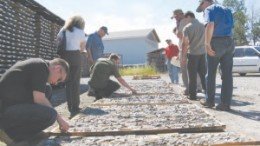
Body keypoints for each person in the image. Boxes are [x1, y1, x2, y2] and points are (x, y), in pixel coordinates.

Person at [0, 58, 70, 144]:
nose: (56, 83)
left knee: (47, 89)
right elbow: (39, 99)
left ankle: (28, 133)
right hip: (3, 112)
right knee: (51, 115)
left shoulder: (39, 66)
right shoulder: (40, 66)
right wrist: (59, 119)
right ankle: (8, 133)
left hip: (10, 107)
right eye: (59, 79)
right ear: (57, 68)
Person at [196, 0, 234, 111]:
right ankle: (225, 104)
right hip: (230, 42)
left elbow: (210, 24)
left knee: (211, 73)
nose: (202, 10)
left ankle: (209, 101)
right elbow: (231, 27)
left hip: (216, 42)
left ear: (205, 2)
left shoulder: (210, 9)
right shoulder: (227, 9)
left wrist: (207, 44)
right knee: (227, 75)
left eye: (201, 7)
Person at [57, 15, 86, 116]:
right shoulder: (80, 32)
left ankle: (70, 106)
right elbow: (82, 48)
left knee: (68, 82)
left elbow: (59, 42)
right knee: (75, 82)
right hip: (76, 55)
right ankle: (76, 105)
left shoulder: (63, 30)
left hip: (65, 56)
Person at [181, 11, 206, 100]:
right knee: (203, 75)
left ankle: (192, 96)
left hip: (193, 53)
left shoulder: (187, 28)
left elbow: (185, 43)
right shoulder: (203, 25)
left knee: (192, 76)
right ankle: (209, 95)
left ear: (188, 17)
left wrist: (183, 57)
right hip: (203, 53)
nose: (185, 21)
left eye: (185, 19)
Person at [171, 9, 189, 95]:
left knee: (185, 69)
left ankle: (188, 87)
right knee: (188, 69)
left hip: (187, 47)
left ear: (181, 14)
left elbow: (179, 35)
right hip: (187, 47)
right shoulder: (187, 21)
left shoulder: (183, 22)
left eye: (176, 16)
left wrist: (178, 25)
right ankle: (195, 87)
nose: (175, 19)